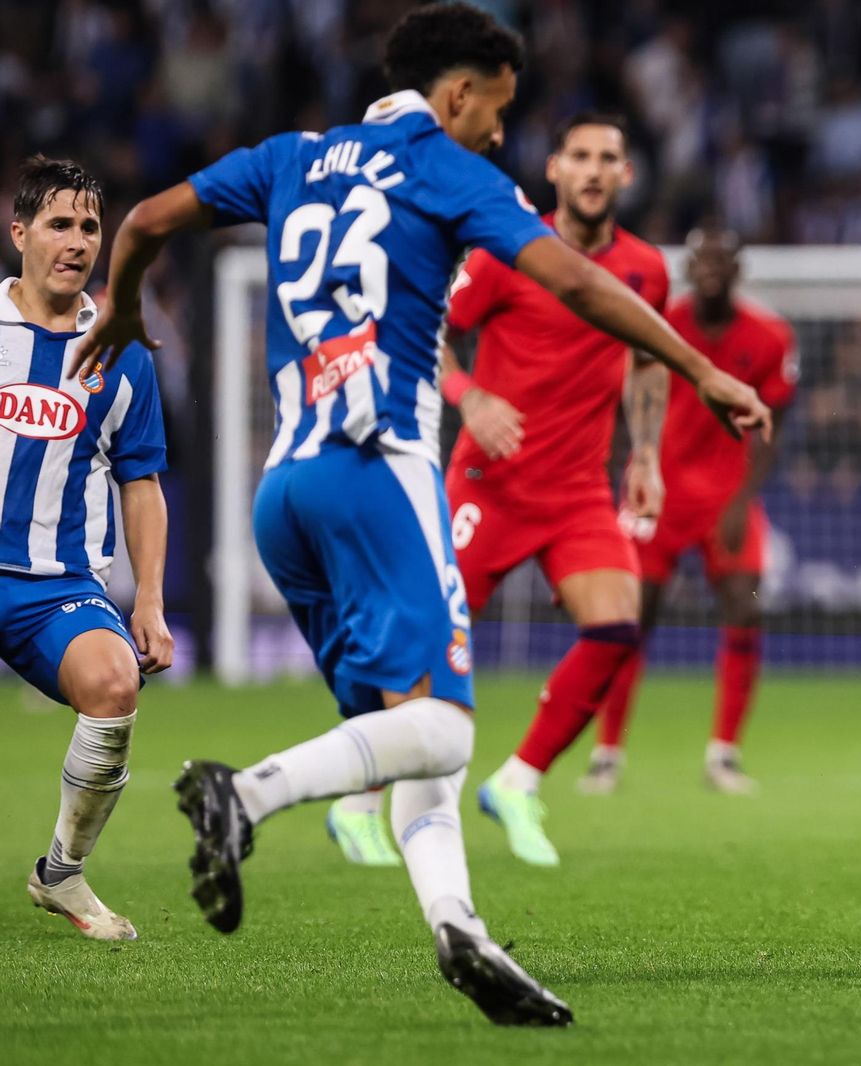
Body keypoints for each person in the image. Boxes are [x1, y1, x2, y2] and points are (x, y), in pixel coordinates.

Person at [76, 2, 768, 1026]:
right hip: (380, 473)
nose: (499, 133)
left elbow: (139, 224)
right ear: (454, 94)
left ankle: (460, 928)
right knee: (443, 726)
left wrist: (125, 306)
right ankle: (247, 792)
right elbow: (575, 280)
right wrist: (701, 366)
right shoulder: (450, 170)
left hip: (286, 490)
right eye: (495, 110)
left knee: (410, 734)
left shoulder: (291, 155)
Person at [326, 110, 675, 869]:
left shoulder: (647, 268)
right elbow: (427, 328)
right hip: (490, 483)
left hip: (579, 490)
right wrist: (469, 397)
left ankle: (517, 781)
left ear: (626, 174)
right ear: (554, 169)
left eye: (605, 157)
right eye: (577, 154)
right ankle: (358, 802)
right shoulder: (510, 253)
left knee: (618, 623)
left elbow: (648, 359)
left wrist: (644, 454)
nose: (590, 169)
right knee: (427, 642)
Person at [4, 156, 173, 941]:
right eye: (59, 224)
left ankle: (61, 873)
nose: (77, 241)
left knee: (113, 685)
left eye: (90, 227)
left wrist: (148, 601)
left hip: (55, 586)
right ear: (20, 233)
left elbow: (141, 483)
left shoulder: (123, 351)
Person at [582, 223, 798, 795]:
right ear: (688, 269)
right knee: (633, 618)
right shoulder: (660, 325)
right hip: (658, 489)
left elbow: (772, 427)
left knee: (745, 609)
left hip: (725, 496)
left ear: (736, 270)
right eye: (699, 260)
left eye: (719, 261)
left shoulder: (770, 337)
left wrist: (743, 500)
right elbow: (624, 393)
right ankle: (607, 753)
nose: (709, 270)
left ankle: (723, 755)